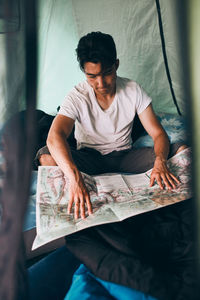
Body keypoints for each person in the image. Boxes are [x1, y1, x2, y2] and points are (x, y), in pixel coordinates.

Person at [37, 31, 185, 220]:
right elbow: (54, 136)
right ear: (84, 72)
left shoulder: (133, 90)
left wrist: (160, 161)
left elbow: (158, 134)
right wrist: (74, 178)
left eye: (107, 73)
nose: (100, 83)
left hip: (124, 156)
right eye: (92, 76)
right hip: (89, 158)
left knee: (182, 151)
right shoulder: (77, 95)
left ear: (116, 65)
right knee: (46, 156)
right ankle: (78, 200)